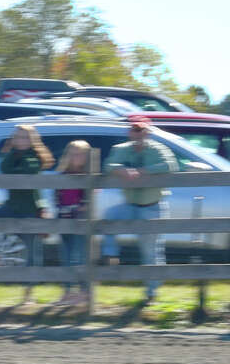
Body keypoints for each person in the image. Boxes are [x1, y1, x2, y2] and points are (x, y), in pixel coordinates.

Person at [100, 119, 178, 303]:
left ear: (148, 132)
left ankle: (151, 292)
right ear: (129, 132)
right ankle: (111, 254)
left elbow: (170, 166)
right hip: (129, 205)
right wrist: (121, 170)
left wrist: (142, 171)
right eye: (134, 130)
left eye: (141, 130)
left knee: (150, 251)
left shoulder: (158, 149)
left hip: (152, 206)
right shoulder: (120, 149)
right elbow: (108, 165)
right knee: (109, 217)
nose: (138, 133)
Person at [0, 124, 54, 303]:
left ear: (32, 140)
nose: (20, 140)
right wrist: (9, 153)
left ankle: (29, 293)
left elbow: (27, 170)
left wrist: (14, 163)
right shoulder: (12, 156)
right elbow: (4, 168)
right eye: (17, 137)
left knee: (32, 253)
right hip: (11, 206)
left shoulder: (34, 158)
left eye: (24, 137)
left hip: (30, 210)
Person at [54, 140, 92, 307]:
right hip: (64, 218)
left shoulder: (88, 176)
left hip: (80, 220)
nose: (77, 157)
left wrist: (82, 207)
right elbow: (57, 197)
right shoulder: (62, 175)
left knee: (79, 256)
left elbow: (88, 199)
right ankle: (68, 292)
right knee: (66, 256)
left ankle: (84, 292)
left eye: (81, 154)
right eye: (74, 154)